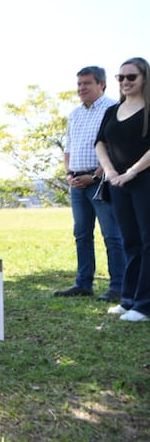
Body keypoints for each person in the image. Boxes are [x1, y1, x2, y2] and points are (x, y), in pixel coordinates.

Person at [54, 66, 125, 302]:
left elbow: (114, 149)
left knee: (111, 235)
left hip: (101, 182)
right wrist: (69, 175)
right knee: (82, 234)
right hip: (76, 183)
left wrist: (94, 177)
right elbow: (69, 150)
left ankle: (118, 286)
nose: (81, 88)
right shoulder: (74, 114)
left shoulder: (113, 108)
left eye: (87, 83)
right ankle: (83, 284)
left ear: (101, 85)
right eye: (79, 84)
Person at [95, 57, 150, 322]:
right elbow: (100, 143)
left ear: (144, 78)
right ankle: (128, 300)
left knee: (148, 242)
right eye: (121, 77)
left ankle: (144, 305)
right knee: (131, 242)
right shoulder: (112, 111)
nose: (125, 82)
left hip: (144, 180)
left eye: (132, 77)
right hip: (117, 183)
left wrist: (132, 171)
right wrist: (111, 172)